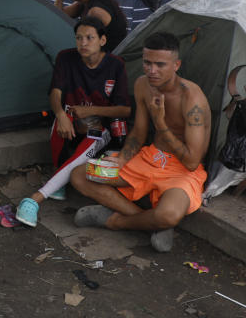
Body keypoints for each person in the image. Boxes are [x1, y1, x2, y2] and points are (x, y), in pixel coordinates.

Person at [68, 31, 211, 253]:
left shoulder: (192, 99)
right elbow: (139, 132)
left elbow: (192, 162)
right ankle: (148, 223)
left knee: (168, 214)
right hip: (149, 159)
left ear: (176, 65)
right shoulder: (143, 84)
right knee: (80, 175)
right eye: (147, 63)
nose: (152, 70)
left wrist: (161, 122)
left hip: (181, 171)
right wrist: (122, 159)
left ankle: (116, 221)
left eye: (160, 64)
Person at [14, 17, 131, 228]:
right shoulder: (66, 58)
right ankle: (60, 176)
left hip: (99, 127)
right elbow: (55, 91)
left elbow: (124, 109)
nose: (83, 43)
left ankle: (34, 199)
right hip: (70, 118)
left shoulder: (115, 65)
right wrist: (59, 114)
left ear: (102, 40)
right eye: (79, 38)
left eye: (89, 38)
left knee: (89, 143)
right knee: (63, 122)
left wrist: (92, 110)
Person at [54, 0, 128, 52]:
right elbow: (58, 15)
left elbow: (87, 43)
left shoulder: (96, 11)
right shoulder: (83, 4)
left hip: (110, 57)